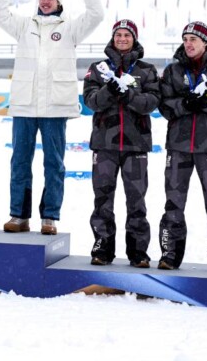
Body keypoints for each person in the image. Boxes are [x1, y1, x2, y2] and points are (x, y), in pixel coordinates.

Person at [0, 0, 103, 235]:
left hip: (55, 106)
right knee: (20, 161)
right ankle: (19, 215)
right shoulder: (23, 26)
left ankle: (49, 216)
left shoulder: (71, 29)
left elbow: (96, 15)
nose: (45, 2)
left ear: (59, 2)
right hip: (25, 106)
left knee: (54, 163)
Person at [157, 21, 207, 274]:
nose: (188, 43)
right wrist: (186, 104)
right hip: (178, 148)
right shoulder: (172, 71)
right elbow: (165, 107)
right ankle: (169, 255)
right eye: (185, 39)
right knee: (173, 203)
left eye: (194, 39)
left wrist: (206, 104)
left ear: (205, 42)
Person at [82, 20, 160, 267]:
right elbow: (91, 101)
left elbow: (152, 102)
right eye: (118, 35)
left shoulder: (146, 70)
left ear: (134, 38)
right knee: (102, 199)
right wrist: (110, 91)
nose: (122, 39)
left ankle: (138, 252)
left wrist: (129, 95)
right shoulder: (98, 68)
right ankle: (102, 249)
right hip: (105, 144)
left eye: (127, 35)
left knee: (136, 200)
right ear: (113, 38)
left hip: (136, 145)